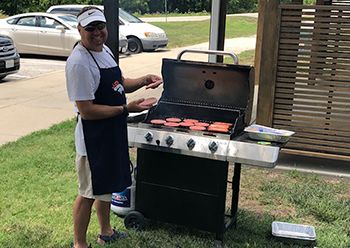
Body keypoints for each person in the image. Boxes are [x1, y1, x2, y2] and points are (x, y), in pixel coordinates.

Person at [65, 6, 162, 248]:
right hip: (93, 138)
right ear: (79, 30)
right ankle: (79, 244)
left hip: (110, 131)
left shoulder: (104, 50)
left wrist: (142, 80)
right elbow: (86, 110)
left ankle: (106, 232)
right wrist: (126, 109)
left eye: (100, 26)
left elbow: (119, 83)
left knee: (105, 185)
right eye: (90, 28)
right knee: (88, 192)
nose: (97, 32)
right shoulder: (79, 62)